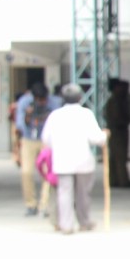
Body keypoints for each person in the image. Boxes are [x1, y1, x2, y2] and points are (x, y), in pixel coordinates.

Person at [41, 83, 108, 234]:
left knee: (64, 193)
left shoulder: (55, 115)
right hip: (83, 161)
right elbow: (96, 139)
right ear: (80, 97)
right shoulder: (86, 114)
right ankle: (84, 222)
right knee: (83, 194)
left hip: (62, 161)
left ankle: (66, 225)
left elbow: (46, 139)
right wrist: (105, 135)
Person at [15, 82, 54, 216]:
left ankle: (45, 204)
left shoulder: (53, 103)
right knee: (26, 172)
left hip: (45, 140)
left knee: (47, 172)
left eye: (44, 100)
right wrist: (27, 117)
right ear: (34, 98)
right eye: (40, 100)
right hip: (28, 138)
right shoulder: (25, 102)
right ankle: (30, 204)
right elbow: (19, 123)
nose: (42, 102)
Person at [104, 78, 130, 187]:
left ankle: (114, 179)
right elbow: (117, 117)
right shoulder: (115, 101)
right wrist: (126, 120)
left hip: (117, 131)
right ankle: (123, 180)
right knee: (120, 156)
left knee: (115, 157)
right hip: (118, 131)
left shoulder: (115, 100)